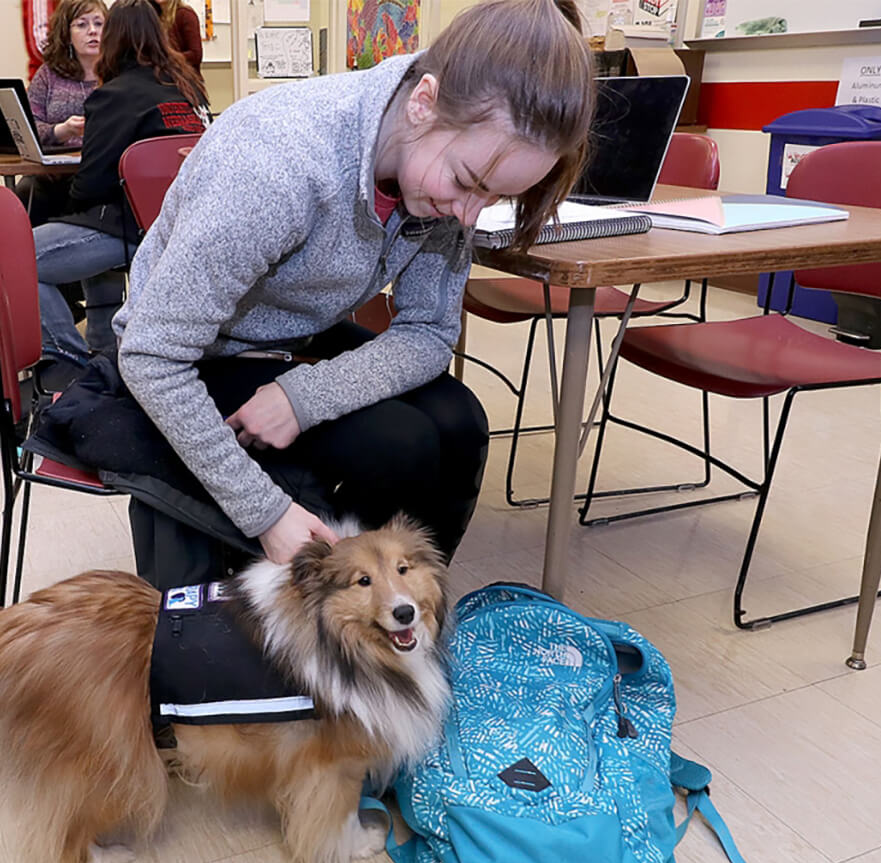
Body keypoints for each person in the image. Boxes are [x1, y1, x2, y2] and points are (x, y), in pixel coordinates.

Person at [108, 0, 594, 581]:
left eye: (493, 200)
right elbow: (151, 354)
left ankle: (402, 616)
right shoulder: (279, 164)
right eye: (469, 183)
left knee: (459, 421)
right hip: (194, 351)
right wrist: (267, 514)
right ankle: (335, 614)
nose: (468, 217)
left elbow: (430, 332)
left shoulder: (446, 158)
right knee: (399, 443)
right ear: (423, 103)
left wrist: (303, 396)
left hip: (290, 333)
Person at [35, 0, 206, 368]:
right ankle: (105, 353)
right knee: (87, 230)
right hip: (185, 226)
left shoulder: (112, 97)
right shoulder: (190, 90)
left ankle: (72, 368)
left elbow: (89, 187)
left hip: (132, 230)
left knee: (18, 260)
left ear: (113, 40)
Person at [19, 0, 106, 225]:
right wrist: (61, 131)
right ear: (66, 33)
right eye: (82, 25)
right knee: (25, 193)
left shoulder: (117, 73)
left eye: (99, 23)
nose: (93, 31)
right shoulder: (48, 74)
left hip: (98, 174)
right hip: (51, 176)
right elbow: (27, 127)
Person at [148, 0, 202, 77]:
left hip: (185, 79)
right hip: (160, 78)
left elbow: (196, 55)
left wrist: (169, 57)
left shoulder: (185, 14)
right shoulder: (150, 16)